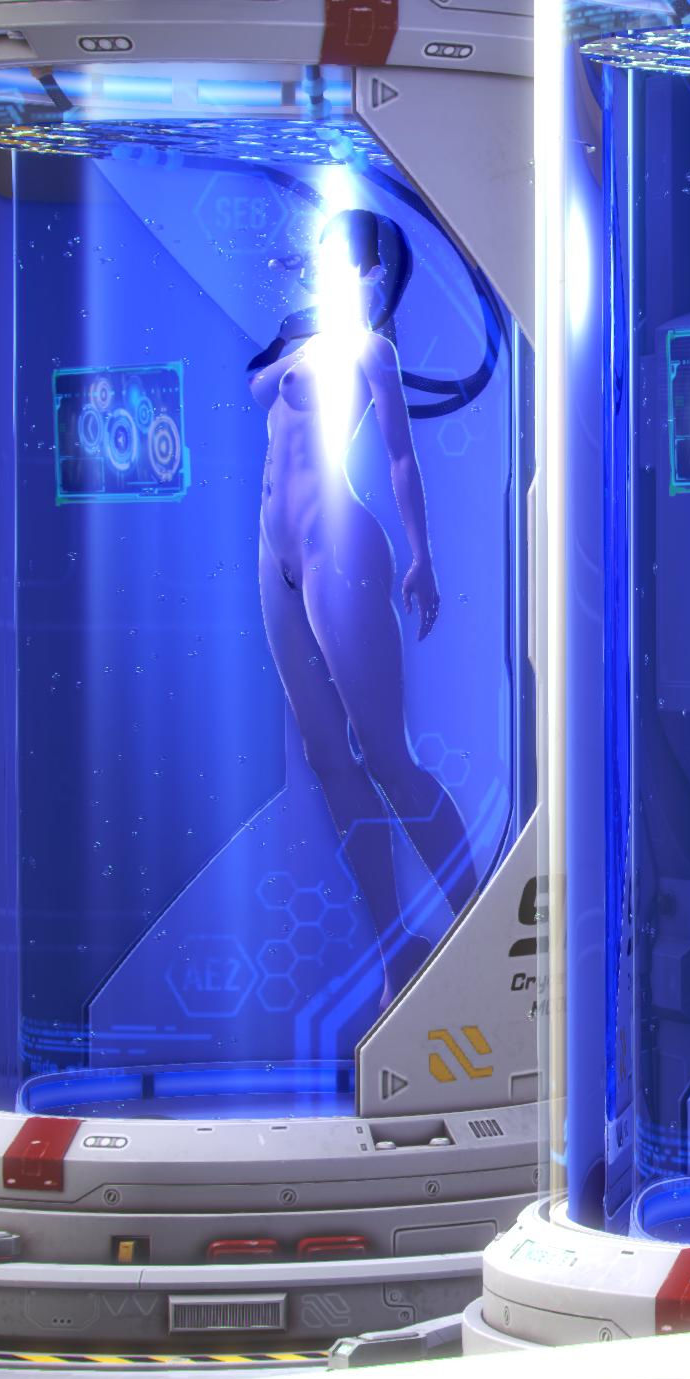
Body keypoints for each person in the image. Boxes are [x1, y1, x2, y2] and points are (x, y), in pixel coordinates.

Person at [247, 206, 481, 991]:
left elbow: (402, 457)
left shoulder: (372, 350)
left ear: (374, 271)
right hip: (274, 553)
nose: (325, 269)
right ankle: (394, 947)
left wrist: (422, 557)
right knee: (327, 757)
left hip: (337, 545)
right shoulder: (299, 337)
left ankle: (478, 922)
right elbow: (261, 390)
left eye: (342, 258)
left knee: (385, 755)